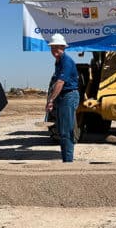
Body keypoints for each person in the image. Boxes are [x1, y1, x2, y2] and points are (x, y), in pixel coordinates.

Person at [45, 33, 79, 163]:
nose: (54, 51)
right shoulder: (58, 61)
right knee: (61, 130)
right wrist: (52, 99)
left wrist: (51, 99)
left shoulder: (66, 62)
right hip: (62, 96)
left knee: (66, 131)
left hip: (68, 96)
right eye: (53, 48)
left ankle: (68, 161)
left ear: (63, 48)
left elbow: (60, 83)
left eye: (57, 48)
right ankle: (66, 159)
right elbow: (56, 83)